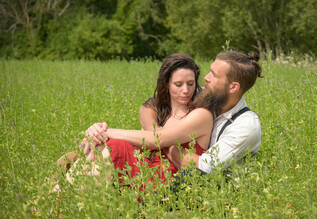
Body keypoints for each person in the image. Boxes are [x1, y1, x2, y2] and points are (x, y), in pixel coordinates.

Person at [87, 51, 262, 175]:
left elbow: (204, 168)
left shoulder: (245, 127)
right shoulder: (209, 95)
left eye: (214, 75)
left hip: (212, 193)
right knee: (105, 147)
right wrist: (153, 129)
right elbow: (152, 104)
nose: (206, 78)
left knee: (113, 147)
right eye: (209, 71)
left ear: (233, 87)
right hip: (169, 170)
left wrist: (165, 141)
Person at [71, 53, 213, 187]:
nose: (186, 90)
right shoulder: (160, 111)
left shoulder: (201, 114)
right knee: (102, 144)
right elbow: (148, 137)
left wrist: (105, 131)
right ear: (167, 84)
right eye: (178, 84)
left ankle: (72, 193)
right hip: (148, 170)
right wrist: (98, 134)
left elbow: (155, 140)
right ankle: (67, 190)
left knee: (115, 146)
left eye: (190, 83)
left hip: (168, 182)